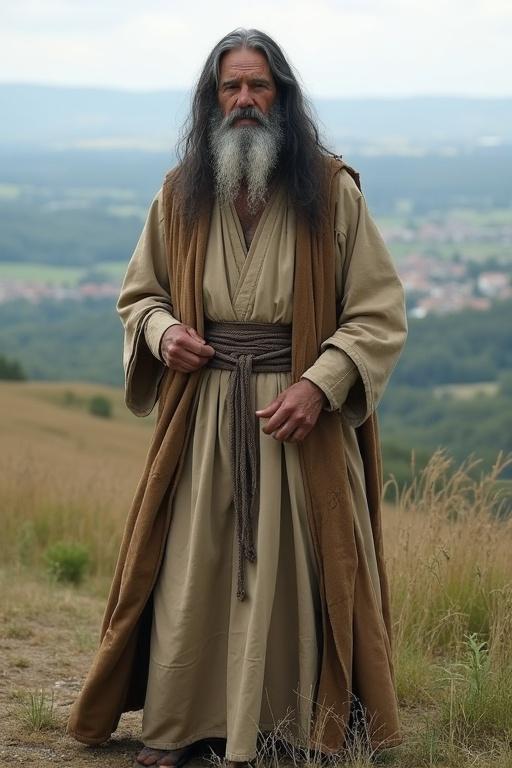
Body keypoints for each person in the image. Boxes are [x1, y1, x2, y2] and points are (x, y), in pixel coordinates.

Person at [67, 28, 407, 768]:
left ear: (280, 96)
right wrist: (162, 335)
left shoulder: (331, 191)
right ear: (213, 99)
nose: (246, 100)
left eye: (259, 86)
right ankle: (183, 725)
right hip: (205, 415)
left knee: (295, 574)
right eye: (232, 87)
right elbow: (140, 294)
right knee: (193, 571)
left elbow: (379, 312)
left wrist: (320, 385)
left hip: (298, 419)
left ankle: (290, 729)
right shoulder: (181, 193)